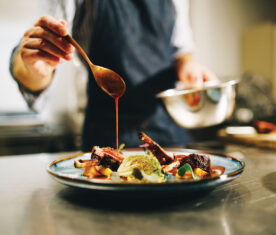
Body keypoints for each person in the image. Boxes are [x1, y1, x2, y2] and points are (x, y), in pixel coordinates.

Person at [10, 0, 217, 151]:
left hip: (170, 136)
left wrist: (188, 64)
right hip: (107, 141)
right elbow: (32, 56)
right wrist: (34, 67)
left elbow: (181, 49)